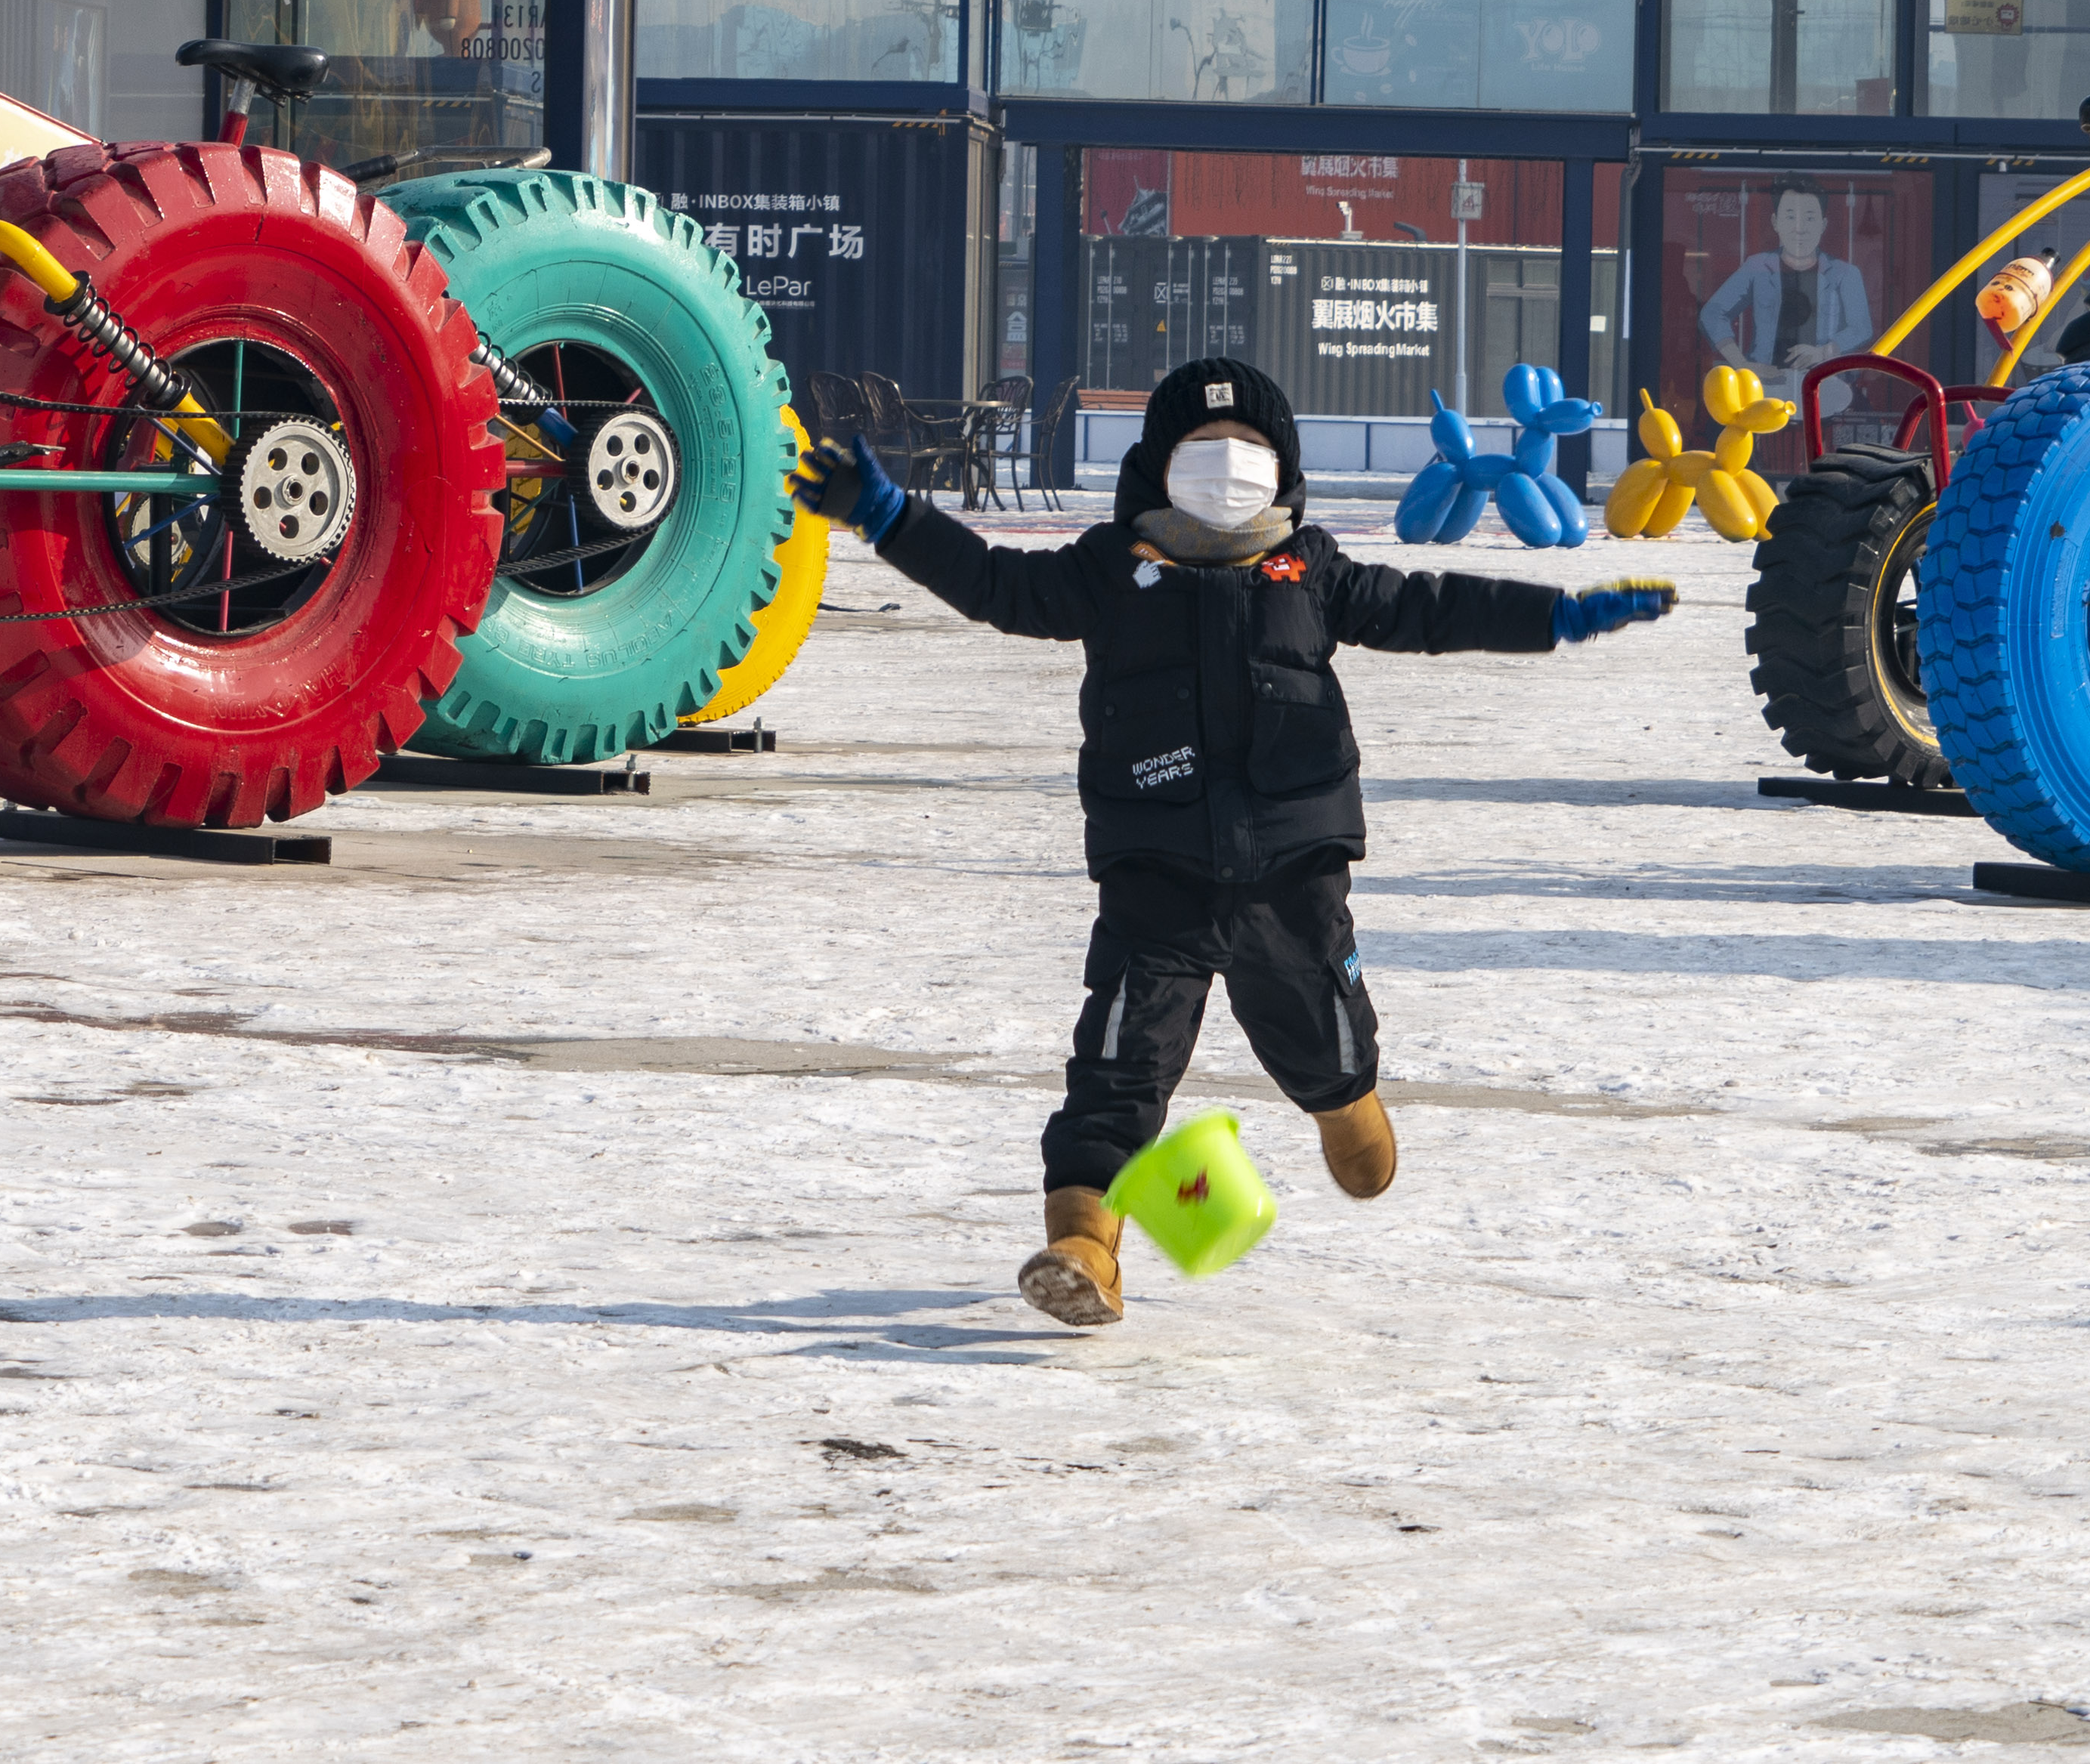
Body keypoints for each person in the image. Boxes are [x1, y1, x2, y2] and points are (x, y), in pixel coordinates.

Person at [801, 357, 1673, 1329]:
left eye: (1250, 448)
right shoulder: (1109, 569)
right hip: (1155, 867)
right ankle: (1084, 1242)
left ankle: (1345, 1105)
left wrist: (1552, 615)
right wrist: (889, 516)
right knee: (1117, 1064)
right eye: (1202, 447)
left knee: (1323, 1038)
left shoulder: (1313, 568)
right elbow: (997, 584)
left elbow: (1430, 606)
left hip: (1291, 873)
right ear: (1156, 463)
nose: (1227, 463)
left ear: (1283, 466)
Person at [1695, 182, 1871, 378]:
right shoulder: (1757, 267)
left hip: (1827, 383)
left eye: (1810, 218)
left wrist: (1824, 352)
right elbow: (1712, 313)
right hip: (1765, 385)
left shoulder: (1846, 273)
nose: (1800, 228)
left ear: (1823, 225)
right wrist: (1742, 365)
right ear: (1775, 222)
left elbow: (1861, 327)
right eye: (1790, 217)